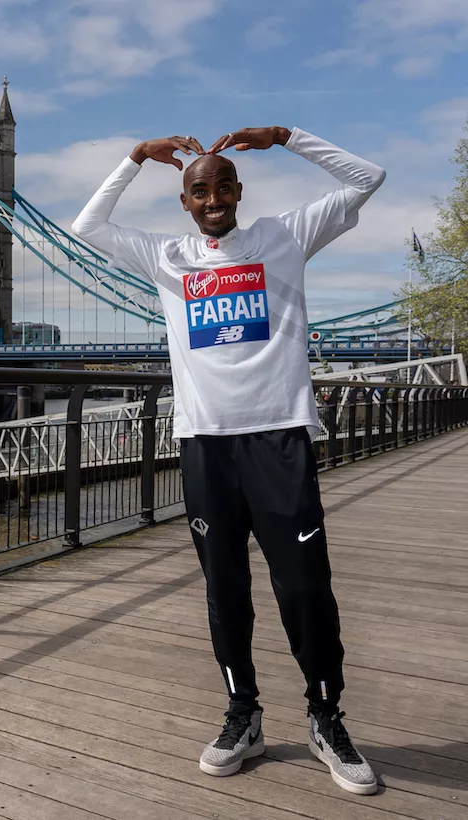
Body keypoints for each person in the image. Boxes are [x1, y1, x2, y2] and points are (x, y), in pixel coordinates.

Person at [72, 127, 385, 796]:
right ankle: (244, 715)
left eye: (221, 188)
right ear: (185, 201)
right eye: (199, 191)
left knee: (305, 588)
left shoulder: (284, 237)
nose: (212, 199)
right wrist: (135, 157)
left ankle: (326, 717)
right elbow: (87, 226)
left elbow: (368, 178)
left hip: (279, 439)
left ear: (238, 192)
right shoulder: (167, 257)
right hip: (206, 443)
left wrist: (287, 137)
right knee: (225, 590)